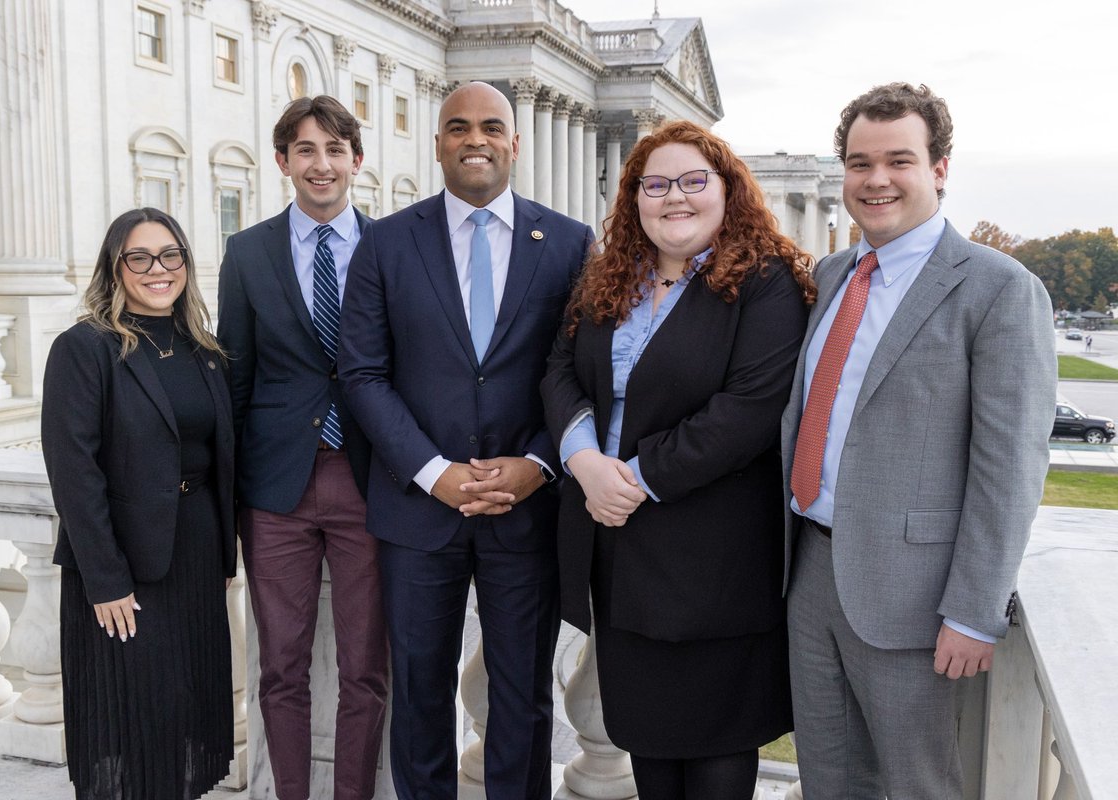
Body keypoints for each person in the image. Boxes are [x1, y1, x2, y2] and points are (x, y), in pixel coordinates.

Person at [781, 82, 1056, 799]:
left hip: (916, 597)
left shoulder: (998, 289)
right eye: (858, 162)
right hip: (809, 569)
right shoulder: (834, 274)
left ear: (938, 168)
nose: (875, 180)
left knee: (916, 786)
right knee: (829, 777)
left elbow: (1010, 465)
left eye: (898, 160)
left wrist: (974, 609)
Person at [541, 120, 812, 799]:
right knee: (648, 741)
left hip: (716, 561)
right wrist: (584, 462)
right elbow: (558, 373)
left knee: (717, 745)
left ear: (727, 190)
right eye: (655, 184)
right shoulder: (609, 278)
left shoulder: (764, 281)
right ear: (634, 198)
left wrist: (630, 479)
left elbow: (747, 409)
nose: (674, 198)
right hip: (621, 556)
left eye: (694, 181)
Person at [339, 81, 593, 799]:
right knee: (419, 697)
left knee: (523, 698)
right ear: (438, 142)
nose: (473, 138)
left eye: (490, 126)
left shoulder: (570, 242)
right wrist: (433, 472)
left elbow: (585, 375)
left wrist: (540, 465)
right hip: (418, 516)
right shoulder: (386, 242)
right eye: (457, 126)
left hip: (527, 513)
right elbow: (361, 375)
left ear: (514, 141)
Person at [217, 95, 387, 800]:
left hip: (370, 481)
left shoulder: (393, 245)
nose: (322, 165)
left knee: (366, 668)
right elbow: (236, 376)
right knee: (280, 666)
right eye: (306, 151)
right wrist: (227, 508)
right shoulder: (247, 251)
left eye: (335, 150)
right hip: (276, 490)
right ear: (283, 162)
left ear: (356, 160)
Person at [42, 207, 236, 800]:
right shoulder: (85, 348)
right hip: (123, 568)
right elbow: (74, 472)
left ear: (186, 263)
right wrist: (104, 580)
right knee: (131, 722)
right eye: (140, 257)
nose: (159, 269)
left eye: (170, 255)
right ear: (116, 267)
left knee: (188, 710)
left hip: (196, 553)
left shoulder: (203, 348)